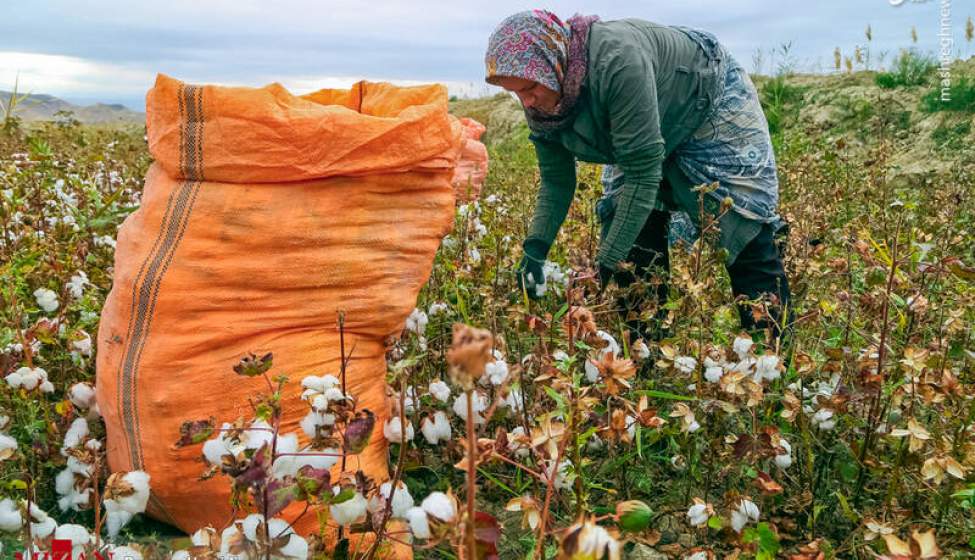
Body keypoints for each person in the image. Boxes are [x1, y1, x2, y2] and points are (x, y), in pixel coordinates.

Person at [484, 10, 790, 338]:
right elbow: (557, 180)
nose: (527, 102)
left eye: (530, 88)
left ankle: (769, 356)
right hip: (644, 118)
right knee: (629, 225)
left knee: (737, 221)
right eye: (515, 93)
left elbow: (642, 176)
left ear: (553, 62)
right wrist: (535, 248)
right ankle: (644, 352)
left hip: (702, 98)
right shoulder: (543, 104)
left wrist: (603, 264)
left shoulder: (618, 62)